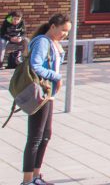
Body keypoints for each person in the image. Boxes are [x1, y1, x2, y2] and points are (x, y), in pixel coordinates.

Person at [21, 14, 69, 185]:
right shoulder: (43, 41)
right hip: (39, 93)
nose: (65, 34)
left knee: (46, 135)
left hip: (49, 95)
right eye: (63, 30)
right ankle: (27, 181)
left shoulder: (53, 43)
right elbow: (36, 65)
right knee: (35, 137)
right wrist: (56, 76)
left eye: (67, 32)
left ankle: (36, 176)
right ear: (53, 26)